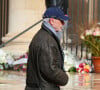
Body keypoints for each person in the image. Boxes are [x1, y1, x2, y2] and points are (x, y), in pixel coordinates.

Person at [25, 7, 69, 90]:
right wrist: (65, 78)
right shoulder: (47, 40)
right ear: (52, 21)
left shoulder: (43, 36)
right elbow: (51, 70)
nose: (63, 24)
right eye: (61, 21)